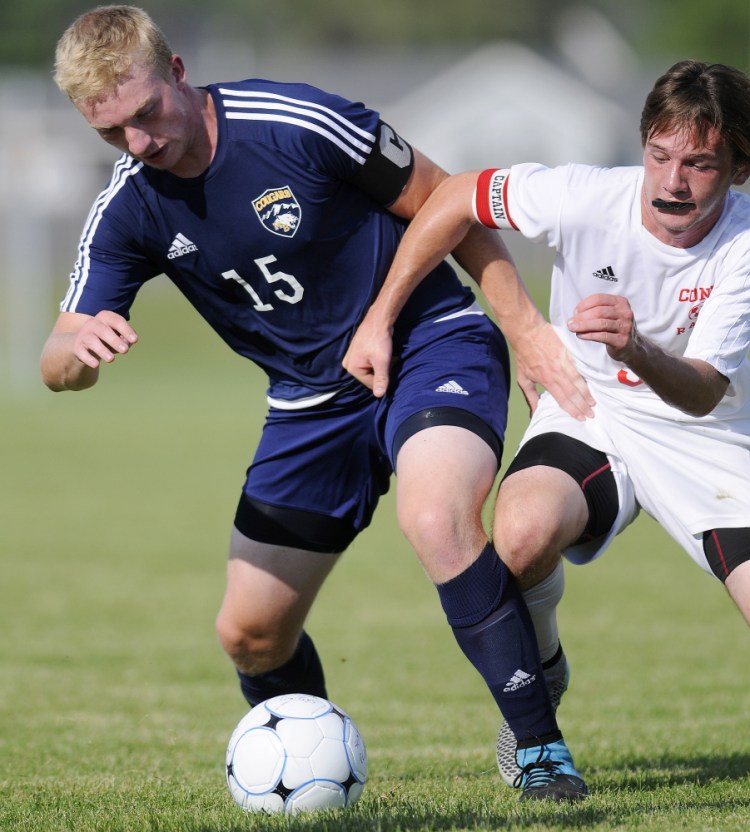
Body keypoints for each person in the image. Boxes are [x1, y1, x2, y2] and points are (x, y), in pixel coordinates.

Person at [42, 5, 594, 801]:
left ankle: (540, 747)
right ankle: (305, 770)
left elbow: (452, 204)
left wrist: (526, 327)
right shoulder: (130, 204)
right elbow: (58, 352)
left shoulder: (296, 123)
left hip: (429, 342)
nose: (138, 144)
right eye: (111, 135)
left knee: (437, 519)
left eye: (144, 116)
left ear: (177, 73)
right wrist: (77, 356)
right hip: (308, 404)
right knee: (250, 633)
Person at [345, 58, 750, 788]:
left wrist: (634, 345)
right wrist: (391, 317)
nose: (672, 183)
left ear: (739, 169)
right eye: (659, 156)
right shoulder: (589, 197)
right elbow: (459, 195)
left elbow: (700, 393)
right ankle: (542, 668)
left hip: (709, 439)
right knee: (521, 535)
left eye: (699, 163)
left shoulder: (745, 249)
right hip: (590, 408)